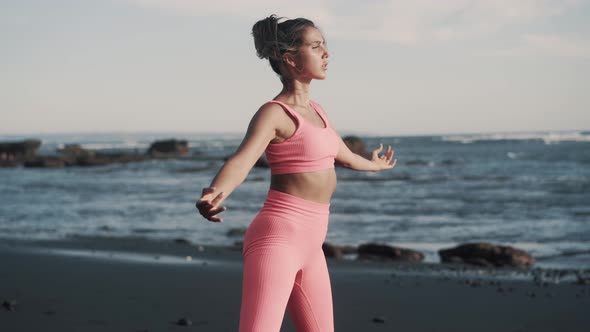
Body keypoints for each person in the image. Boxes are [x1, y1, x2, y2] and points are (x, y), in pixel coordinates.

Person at [195, 14, 397, 332]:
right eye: (316, 47)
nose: (326, 53)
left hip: (311, 246)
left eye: (325, 45)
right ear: (290, 58)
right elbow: (242, 160)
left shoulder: (318, 112)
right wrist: (214, 194)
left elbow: (343, 156)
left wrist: (374, 164)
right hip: (277, 240)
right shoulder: (274, 113)